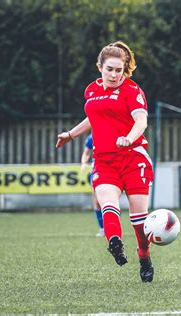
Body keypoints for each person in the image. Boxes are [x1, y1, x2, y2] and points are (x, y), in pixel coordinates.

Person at [56, 41, 155, 282]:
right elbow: (93, 117)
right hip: (104, 160)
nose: (113, 74)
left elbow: (141, 121)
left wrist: (128, 138)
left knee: (139, 221)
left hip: (133, 159)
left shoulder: (132, 91)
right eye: (109, 69)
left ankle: (144, 255)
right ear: (100, 66)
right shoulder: (91, 90)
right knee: (107, 204)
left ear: (125, 70)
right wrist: (70, 134)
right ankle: (115, 243)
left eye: (118, 70)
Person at [80, 133, 105, 237]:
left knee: (110, 201)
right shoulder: (91, 137)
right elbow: (86, 153)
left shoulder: (112, 132)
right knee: (96, 200)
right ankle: (102, 228)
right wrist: (83, 163)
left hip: (112, 168)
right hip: (96, 170)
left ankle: (112, 226)